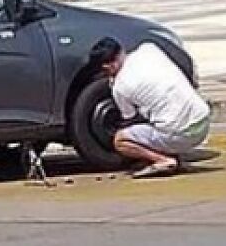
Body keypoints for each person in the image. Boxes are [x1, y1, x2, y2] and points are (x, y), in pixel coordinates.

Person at [89, 37, 210, 179]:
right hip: (203, 122)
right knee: (161, 114)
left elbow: (129, 118)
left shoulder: (120, 88)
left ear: (107, 67)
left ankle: (163, 161)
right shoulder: (149, 49)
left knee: (121, 140)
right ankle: (174, 155)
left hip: (180, 135)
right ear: (121, 50)